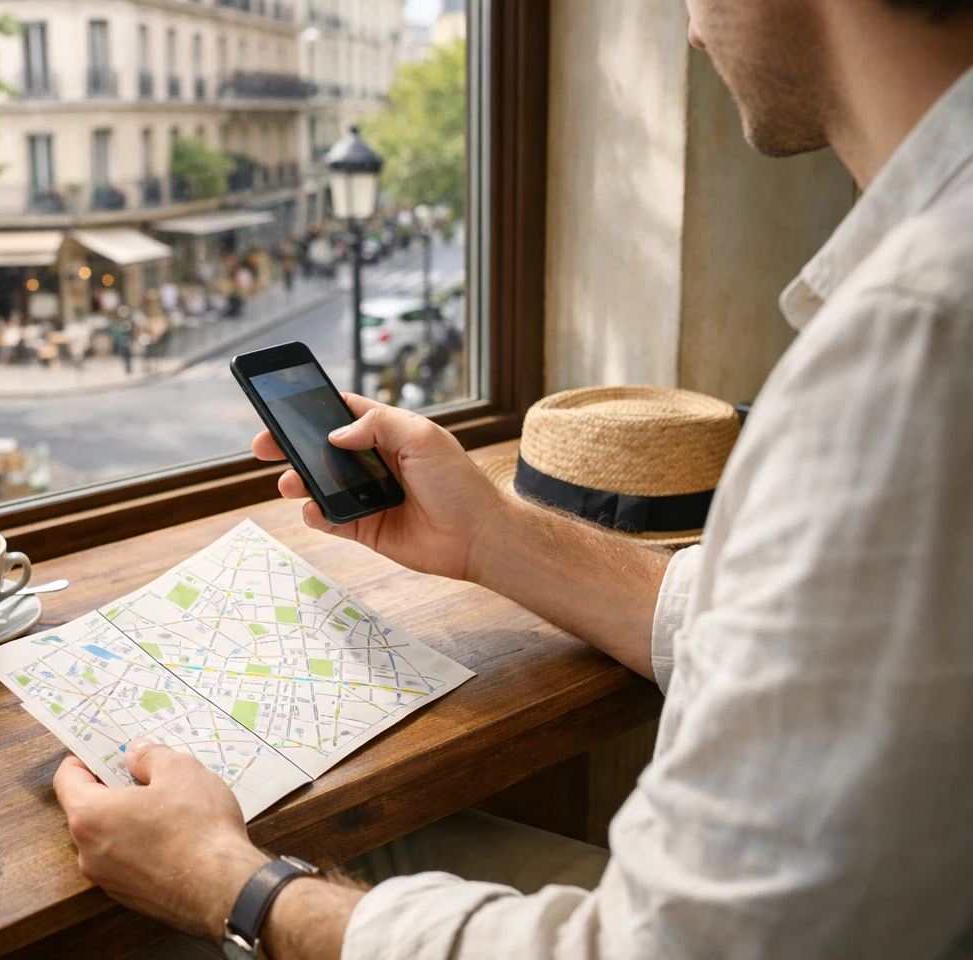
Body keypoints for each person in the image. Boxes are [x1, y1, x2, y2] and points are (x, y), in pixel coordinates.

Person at [51, 2, 973, 957]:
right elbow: (798, 630)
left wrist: (232, 890)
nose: (693, 32)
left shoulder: (914, 342)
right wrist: (490, 533)